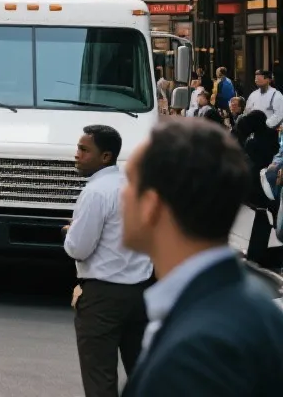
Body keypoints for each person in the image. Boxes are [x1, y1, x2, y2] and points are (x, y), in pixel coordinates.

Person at [119, 120, 283, 396]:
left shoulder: (193, 354)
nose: (121, 195)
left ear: (151, 206)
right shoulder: (250, 302)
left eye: (129, 183)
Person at [63, 126, 153, 397]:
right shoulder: (133, 187)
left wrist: (71, 233)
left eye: (84, 150)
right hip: (141, 292)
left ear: (105, 157)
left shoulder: (96, 192)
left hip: (102, 296)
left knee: (100, 377)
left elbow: (78, 248)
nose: (76, 155)